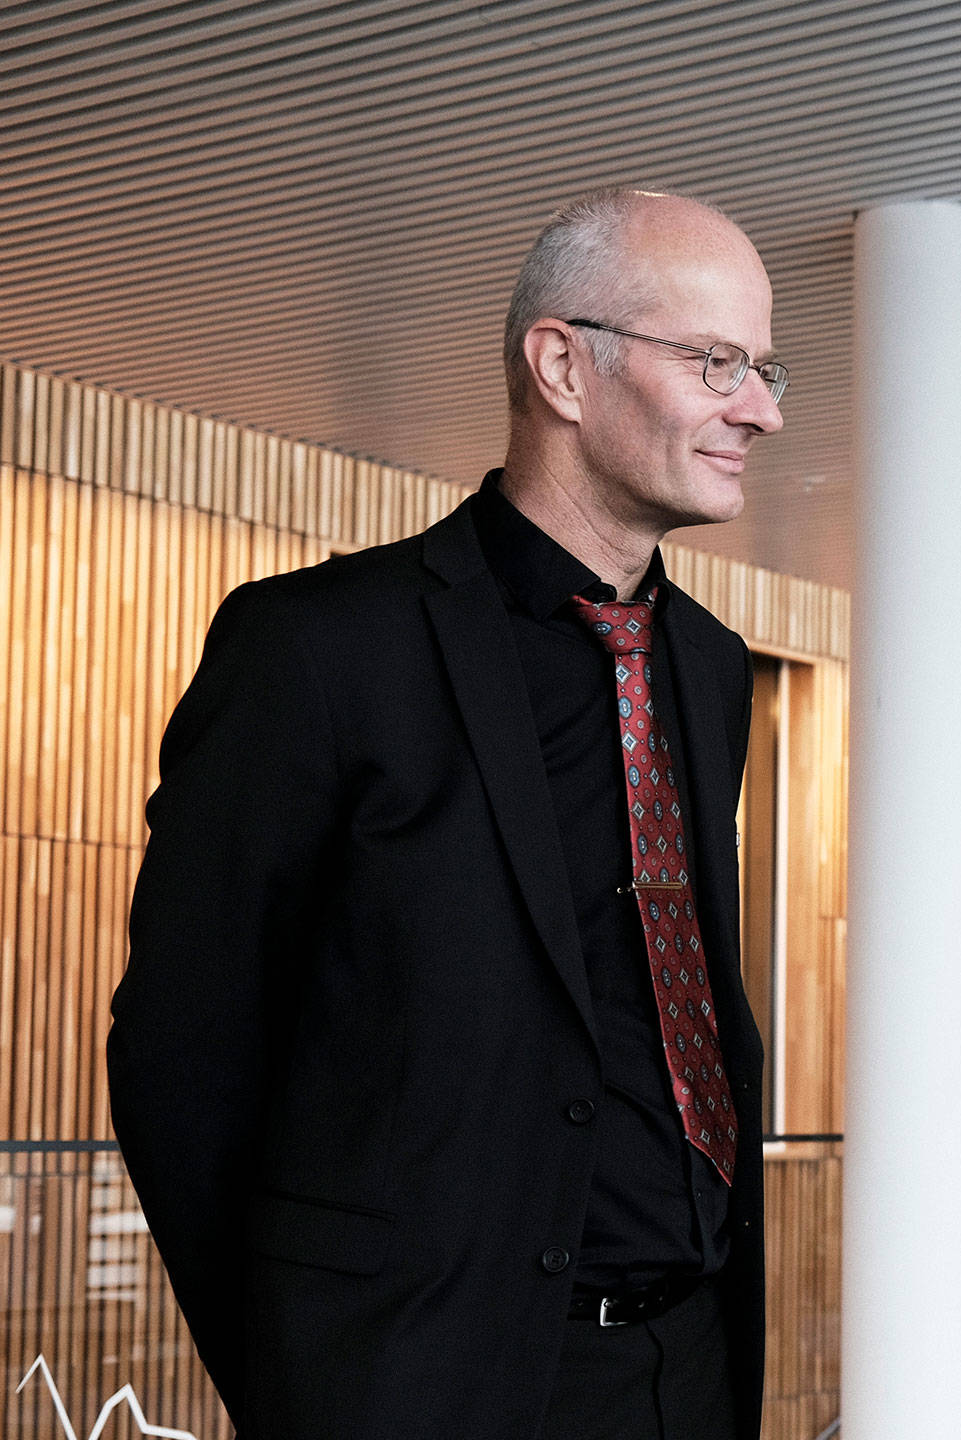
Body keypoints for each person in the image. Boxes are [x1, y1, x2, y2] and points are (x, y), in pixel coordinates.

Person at [109, 189, 785, 1440]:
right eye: (716, 362)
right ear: (563, 367)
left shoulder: (709, 668)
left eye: (763, 368)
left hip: (689, 1367)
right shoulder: (318, 650)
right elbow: (181, 1054)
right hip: (416, 1386)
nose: (761, 409)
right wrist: (306, 1384)